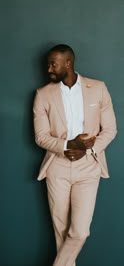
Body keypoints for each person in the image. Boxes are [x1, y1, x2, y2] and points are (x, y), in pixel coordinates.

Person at [33, 44, 117, 266]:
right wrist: (70, 144)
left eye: (53, 63)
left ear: (68, 63)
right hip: (57, 167)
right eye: (48, 63)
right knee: (61, 230)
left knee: (80, 231)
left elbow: (110, 129)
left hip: (89, 166)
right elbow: (41, 137)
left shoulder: (98, 88)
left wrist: (87, 149)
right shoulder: (43, 94)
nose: (48, 67)